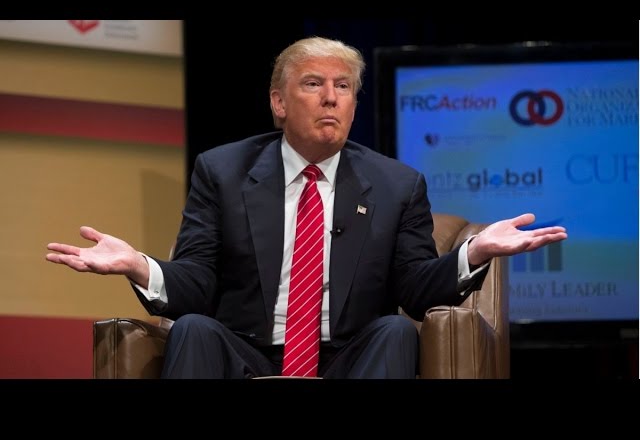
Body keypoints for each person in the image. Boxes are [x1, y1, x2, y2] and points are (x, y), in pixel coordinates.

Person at [46, 36, 567, 379]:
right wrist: (140, 265)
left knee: (393, 330)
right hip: (246, 352)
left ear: (354, 104)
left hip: (349, 355)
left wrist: (474, 252)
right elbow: (197, 283)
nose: (330, 98)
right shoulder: (223, 171)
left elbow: (414, 288)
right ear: (279, 102)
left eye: (343, 87)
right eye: (314, 84)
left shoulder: (396, 184)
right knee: (194, 328)